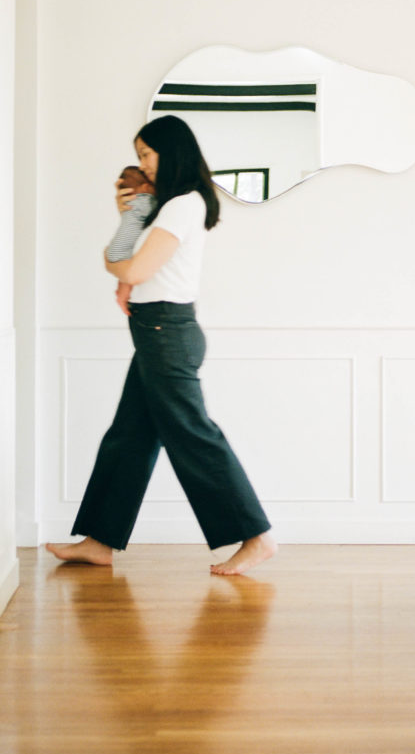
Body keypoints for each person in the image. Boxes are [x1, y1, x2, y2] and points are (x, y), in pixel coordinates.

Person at [47, 115, 276, 575]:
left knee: (193, 436)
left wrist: (129, 225)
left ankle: (256, 536)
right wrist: (131, 219)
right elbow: (135, 268)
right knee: (128, 438)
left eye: (147, 155)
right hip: (158, 332)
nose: (142, 165)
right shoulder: (171, 205)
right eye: (139, 157)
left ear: (172, 154)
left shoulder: (183, 205)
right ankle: (98, 540)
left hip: (166, 333)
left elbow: (129, 268)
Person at [105, 165, 156, 315]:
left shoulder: (128, 203)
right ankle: (122, 295)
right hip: (120, 251)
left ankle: (121, 294)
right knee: (128, 277)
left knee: (125, 279)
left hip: (116, 249)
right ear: (146, 187)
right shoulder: (146, 202)